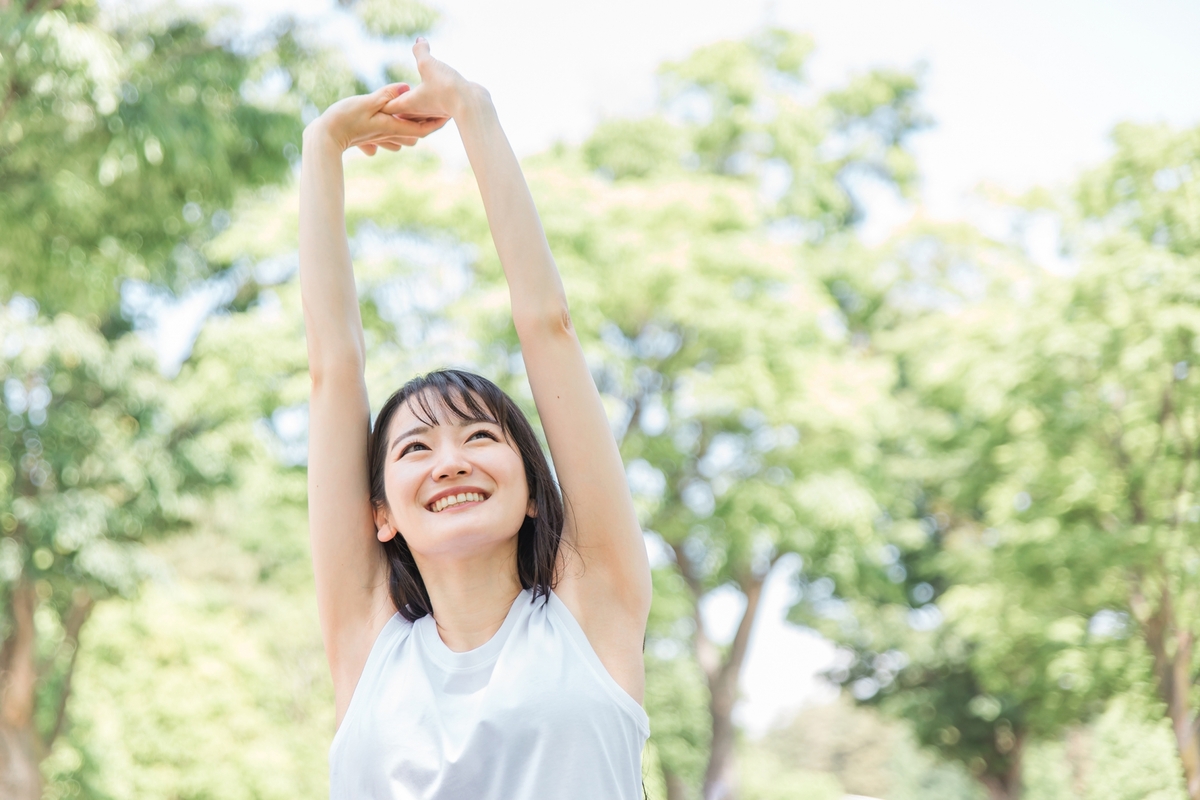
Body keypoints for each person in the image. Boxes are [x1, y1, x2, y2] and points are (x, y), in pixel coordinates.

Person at [298, 38, 653, 799]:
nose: (450, 460)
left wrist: (474, 112)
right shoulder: (368, 644)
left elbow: (547, 325)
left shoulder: (591, 609)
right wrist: (322, 147)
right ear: (380, 514)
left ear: (532, 493)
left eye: (481, 436)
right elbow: (333, 370)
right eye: (415, 448)